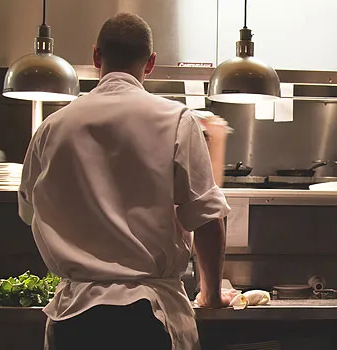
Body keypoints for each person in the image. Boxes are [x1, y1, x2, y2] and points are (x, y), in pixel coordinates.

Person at [17, 13, 231, 350]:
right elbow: (206, 219)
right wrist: (212, 295)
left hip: (74, 319)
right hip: (149, 318)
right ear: (151, 63)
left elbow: (30, 213)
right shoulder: (176, 120)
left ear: (96, 56)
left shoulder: (52, 127)